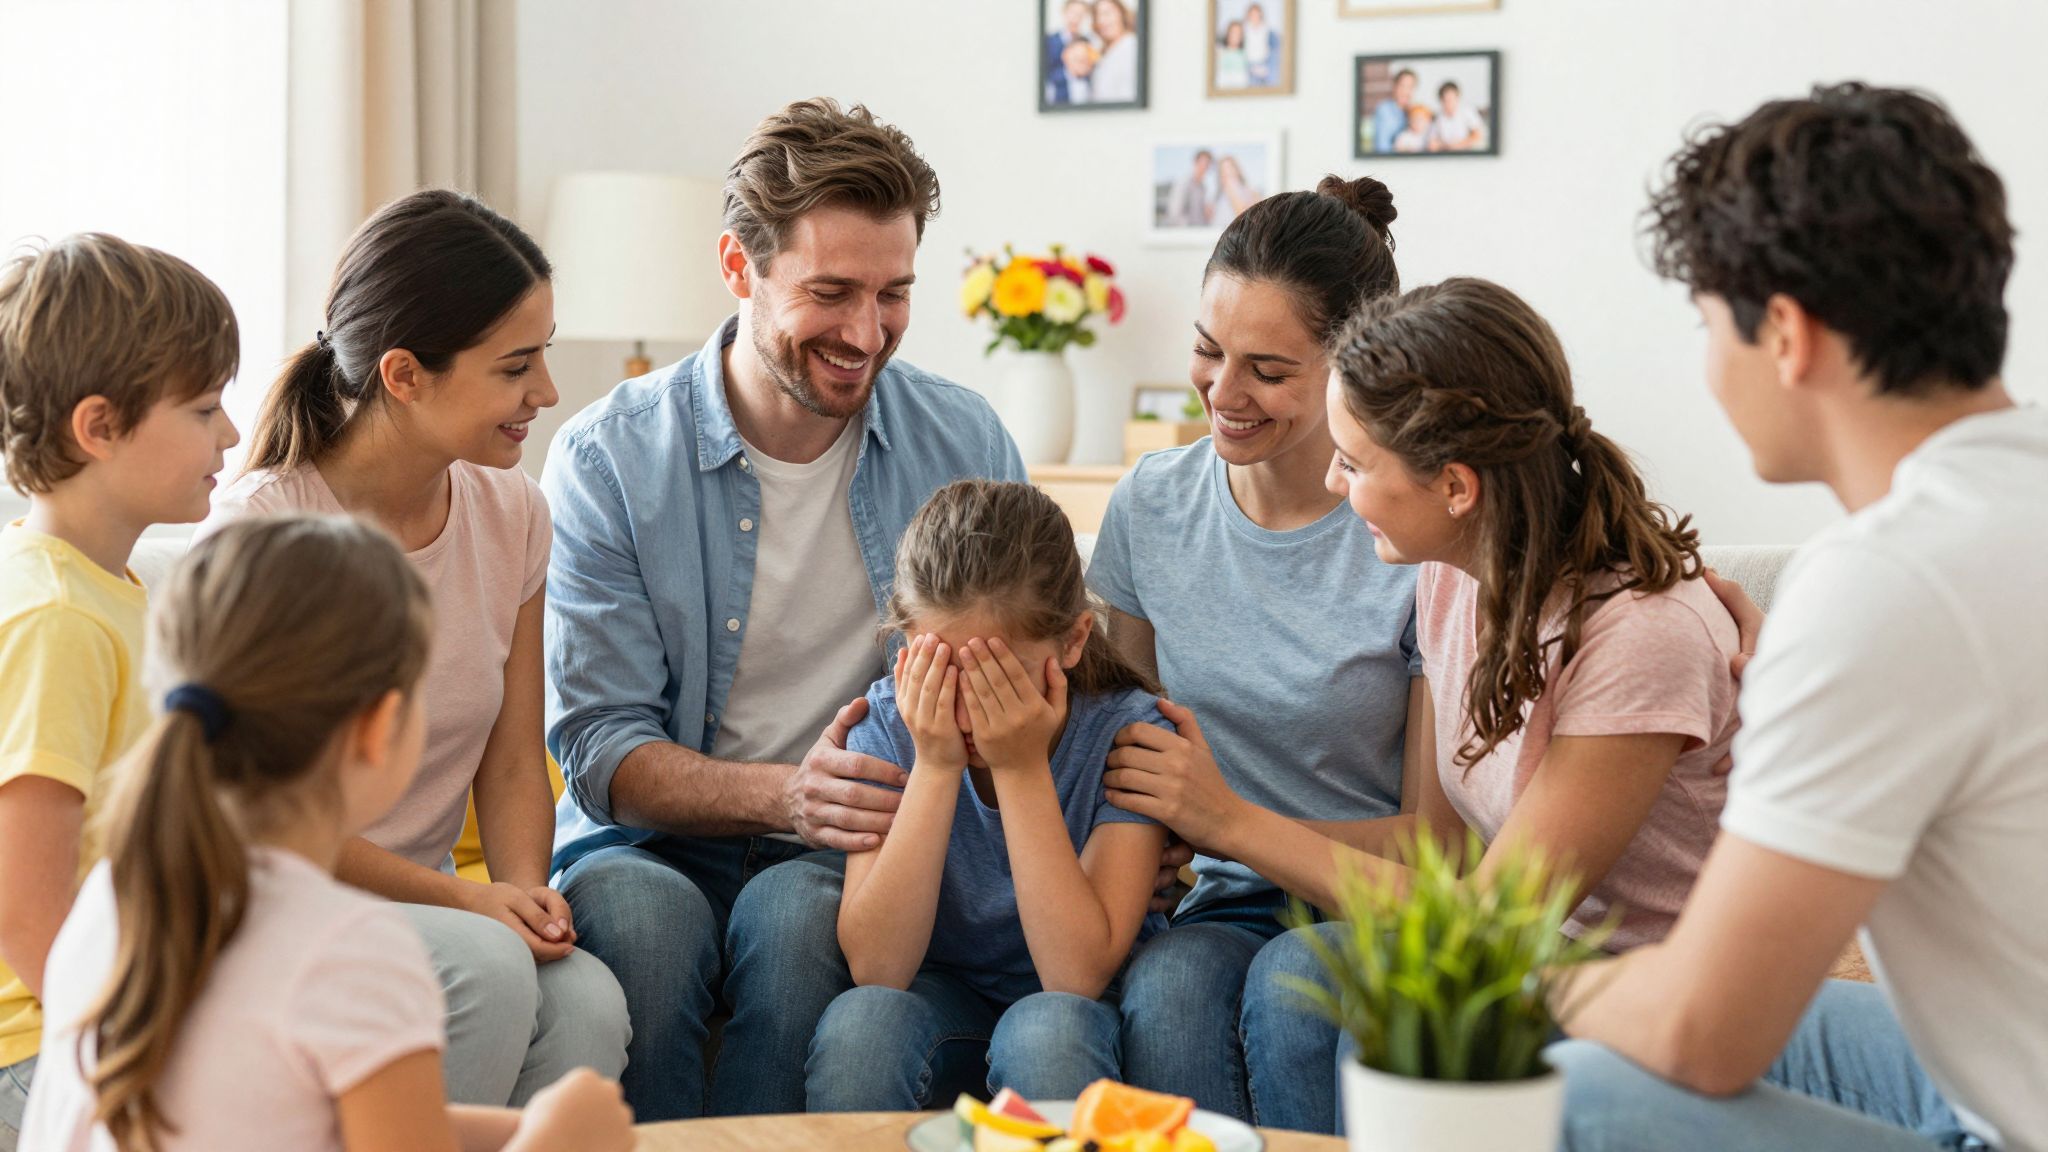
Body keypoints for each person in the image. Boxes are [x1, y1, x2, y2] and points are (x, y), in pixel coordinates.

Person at [1545, 82, 2045, 1152]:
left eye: (1704, 326)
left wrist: (1530, 978)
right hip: (2001, 1071)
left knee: (1567, 1090)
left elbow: (1702, 1038)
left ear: (1782, 332)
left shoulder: (1886, 583)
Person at [543, 98, 1029, 1121]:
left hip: (852, 844)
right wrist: (784, 796)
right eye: (831, 292)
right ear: (739, 266)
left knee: (797, 922)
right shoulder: (608, 457)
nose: (866, 332)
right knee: (644, 927)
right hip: (644, 842)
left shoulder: (964, 442)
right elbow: (597, 745)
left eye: (894, 293)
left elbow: (1033, 672)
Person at [1227, 275, 1743, 1134]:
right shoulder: (1453, 576)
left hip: (1653, 987)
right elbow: (1448, 850)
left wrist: (1231, 823)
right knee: (1300, 974)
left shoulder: (1640, 633)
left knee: (1379, 1004)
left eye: (1354, 463)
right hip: (1542, 958)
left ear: (1457, 487)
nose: (1331, 479)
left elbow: (1492, 923)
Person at [203, 189, 630, 1108]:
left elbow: (512, 762)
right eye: (515, 366)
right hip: (273, 903)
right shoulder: (265, 533)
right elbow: (262, 820)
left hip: (430, 904)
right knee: (487, 967)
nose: (547, 392)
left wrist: (523, 898)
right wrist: (469, 907)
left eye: (544, 354)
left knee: (586, 1001)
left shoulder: (513, 513)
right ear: (404, 374)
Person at [20, 517, 633, 1152]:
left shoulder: (118, 895)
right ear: (379, 728)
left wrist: (523, 1130)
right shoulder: (354, 953)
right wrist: (556, 1139)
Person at [1083, 176, 1417, 1124]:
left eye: (1268, 370)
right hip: (1217, 903)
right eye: (1207, 350)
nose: (1223, 393)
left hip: (1369, 901)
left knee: (1292, 985)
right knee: (1166, 992)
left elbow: (1440, 842)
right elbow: (1130, 748)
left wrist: (1228, 822)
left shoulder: (1408, 532)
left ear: (1354, 365)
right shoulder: (1152, 506)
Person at [807, 480, 1169, 1107]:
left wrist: (1021, 767)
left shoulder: (1130, 738)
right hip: (941, 998)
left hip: (1076, 1012)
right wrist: (935, 764)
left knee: (1048, 1034)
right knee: (863, 1025)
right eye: (942, 673)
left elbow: (1075, 976)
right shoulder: (889, 725)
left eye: (1000, 678)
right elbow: (878, 968)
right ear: (906, 647)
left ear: (1074, 640)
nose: (971, 709)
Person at [0, 233, 240, 1149]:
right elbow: (28, 913)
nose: (230, 434)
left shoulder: (114, 589)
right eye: (205, 408)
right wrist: (144, 1062)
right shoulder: (55, 618)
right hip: (47, 1047)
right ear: (99, 427)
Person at [1089, 0, 1140, 104]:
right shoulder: (1102, 52)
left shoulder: (1131, 45)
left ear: (1121, 14)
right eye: (1097, 16)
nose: (1101, 21)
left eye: (1107, 13)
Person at [1044, 0, 1094, 106]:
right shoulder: (1049, 41)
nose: (1075, 18)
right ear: (1064, 12)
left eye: (1080, 15)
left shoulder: (1088, 43)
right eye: (1073, 13)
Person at [1429, 81, 1486, 151]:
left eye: (1451, 98)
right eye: (1446, 100)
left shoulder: (1467, 112)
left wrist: (1458, 145)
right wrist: (1446, 146)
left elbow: (1477, 136)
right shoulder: (1437, 117)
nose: (1449, 102)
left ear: (1457, 98)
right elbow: (1432, 144)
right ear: (1441, 100)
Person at [1372, 69, 1418, 153]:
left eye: (1410, 87)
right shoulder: (1384, 110)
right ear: (1394, 86)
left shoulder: (1414, 112)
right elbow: (1382, 148)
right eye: (1402, 86)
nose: (1406, 91)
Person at [1166, 151, 1215, 228]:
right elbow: (1174, 213)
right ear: (1195, 163)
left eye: (1207, 164)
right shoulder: (1183, 183)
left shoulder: (1203, 187)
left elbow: (1199, 214)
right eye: (1203, 163)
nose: (1204, 167)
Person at [1242, 3, 1279, 88]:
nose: (1255, 16)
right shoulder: (1244, 29)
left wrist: (1266, 67)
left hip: (1264, 63)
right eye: (1252, 14)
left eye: (1257, 13)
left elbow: (1273, 48)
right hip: (1248, 64)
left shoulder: (1267, 30)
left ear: (1261, 14)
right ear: (1248, 15)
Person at [1216, 155, 1262, 220]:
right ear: (1221, 174)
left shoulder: (1244, 188)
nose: (1228, 172)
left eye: (1230, 167)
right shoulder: (1228, 189)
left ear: (1236, 168)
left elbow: (1260, 203)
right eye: (1224, 169)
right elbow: (1241, 213)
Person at [1215, 22, 1250, 91]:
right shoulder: (1219, 52)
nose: (1235, 36)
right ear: (1227, 34)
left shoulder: (1245, 55)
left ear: (1242, 37)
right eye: (1233, 32)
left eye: (1238, 33)